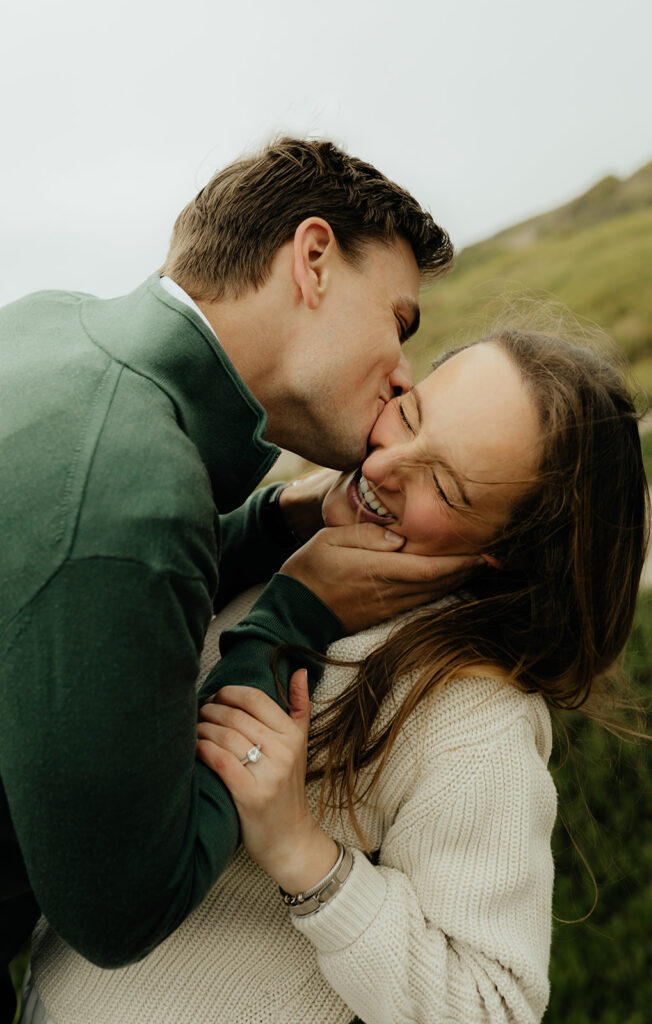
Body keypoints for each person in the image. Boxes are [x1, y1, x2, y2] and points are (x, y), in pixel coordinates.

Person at [20, 325, 650, 1023]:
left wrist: (307, 859)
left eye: (441, 482)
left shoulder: (472, 712)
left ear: (504, 549)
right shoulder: (294, 557)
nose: (385, 466)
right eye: (408, 415)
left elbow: (492, 1007)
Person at [0, 137, 473, 1023]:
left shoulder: (43, 323)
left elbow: (74, 576)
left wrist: (276, 520)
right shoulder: (135, 490)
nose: (404, 368)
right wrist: (298, 609)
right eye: (400, 321)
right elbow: (118, 913)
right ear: (315, 259)